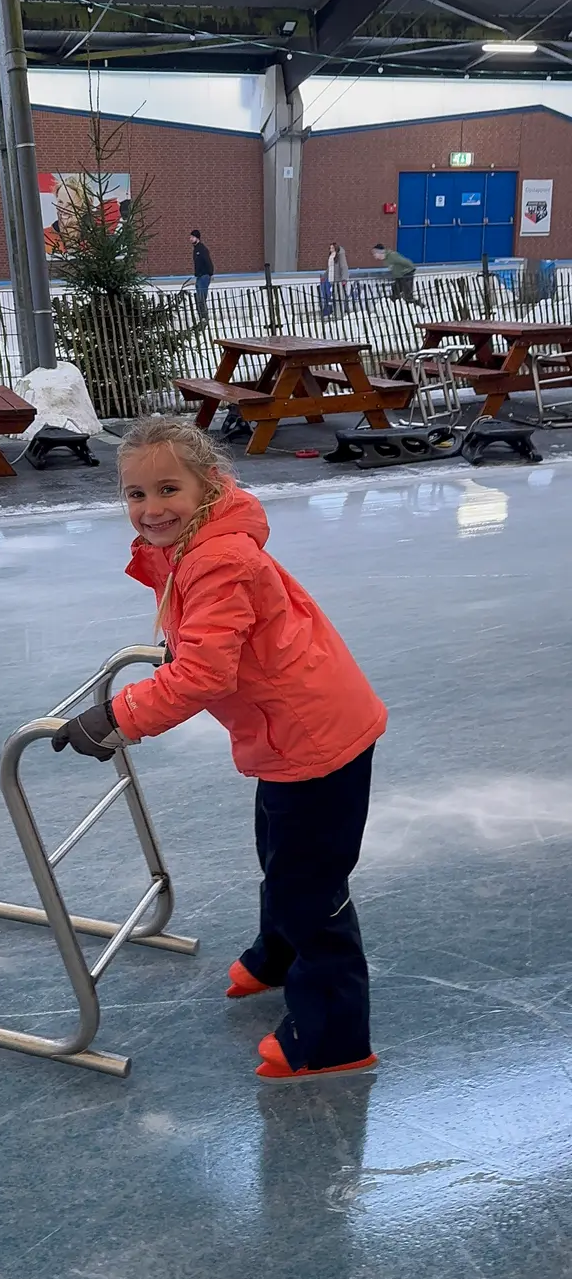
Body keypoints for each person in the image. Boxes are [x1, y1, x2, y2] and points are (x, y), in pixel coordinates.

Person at [52, 418, 387, 1082]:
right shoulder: (198, 543)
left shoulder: (218, 556)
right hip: (289, 731)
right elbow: (213, 637)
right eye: (136, 494)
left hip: (312, 737)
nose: (151, 509)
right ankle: (277, 956)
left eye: (167, 489)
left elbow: (205, 674)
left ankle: (335, 1037)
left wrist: (116, 718)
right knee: (282, 856)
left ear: (208, 485)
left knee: (309, 883)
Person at [321, 241, 350, 316]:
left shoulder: (340, 255)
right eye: (330, 248)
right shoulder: (331, 256)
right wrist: (324, 276)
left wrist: (344, 278)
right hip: (332, 279)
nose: (331, 249)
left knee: (339, 297)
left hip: (338, 279)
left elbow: (344, 266)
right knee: (334, 297)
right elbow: (330, 268)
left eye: (332, 248)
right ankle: (336, 312)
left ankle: (340, 313)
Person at [190, 229, 214, 317]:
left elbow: (208, 261)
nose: (190, 239)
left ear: (197, 238)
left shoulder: (202, 249)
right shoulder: (196, 249)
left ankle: (204, 317)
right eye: (190, 237)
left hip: (204, 276)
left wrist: (210, 273)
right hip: (199, 276)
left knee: (201, 298)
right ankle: (201, 316)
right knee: (199, 298)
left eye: (192, 237)